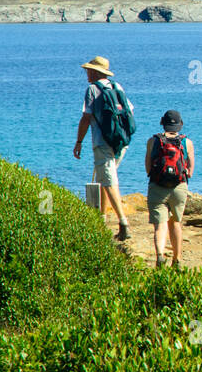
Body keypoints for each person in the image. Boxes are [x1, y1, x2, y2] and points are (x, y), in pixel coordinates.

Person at [73, 55, 134, 241]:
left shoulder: (92, 89)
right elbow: (129, 111)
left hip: (102, 142)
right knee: (105, 178)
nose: (86, 73)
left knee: (109, 181)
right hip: (121, 141)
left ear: (94, 72)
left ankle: (123, 223)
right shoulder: (117, 87)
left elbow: (86, 118)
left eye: (88, 70)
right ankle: (102, 218)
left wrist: (79, 142)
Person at [145, 110, 195, 269]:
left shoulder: (153, 141)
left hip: (157, 186)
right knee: (176, 223)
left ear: (162, 123)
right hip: (179, 187)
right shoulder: (186, 142)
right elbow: (191, 168)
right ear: (180, 124)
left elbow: (148, 167)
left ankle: (160, 255)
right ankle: (177, 259)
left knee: (160, 225)